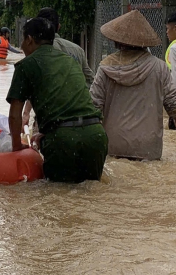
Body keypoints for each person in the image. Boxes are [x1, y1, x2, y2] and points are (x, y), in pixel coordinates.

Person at [90, 10, 176, 160]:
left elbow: (93, 107)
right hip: (147, 148)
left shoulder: (105, 68)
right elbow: (175, 107)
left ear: (116, 41)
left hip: (113, 144)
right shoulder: (159, 67)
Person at [6, 17, 108, 182]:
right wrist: (47, 133)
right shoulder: (70, 61)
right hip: (95, 136)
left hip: (63, 141)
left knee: (57, 195)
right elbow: (70, 104)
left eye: (22, 40)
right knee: (91, 193)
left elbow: (14, 115)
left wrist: (17, 146)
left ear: (29, 39)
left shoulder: (26, 65)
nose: (22, 46)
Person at [22, 7, 96, 126]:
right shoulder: (78, 50)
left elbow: (35, 85)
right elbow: (91, 81)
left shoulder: (38, 52)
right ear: (59, 27)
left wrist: (26, 113)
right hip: (79, 117)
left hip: (50, 119)